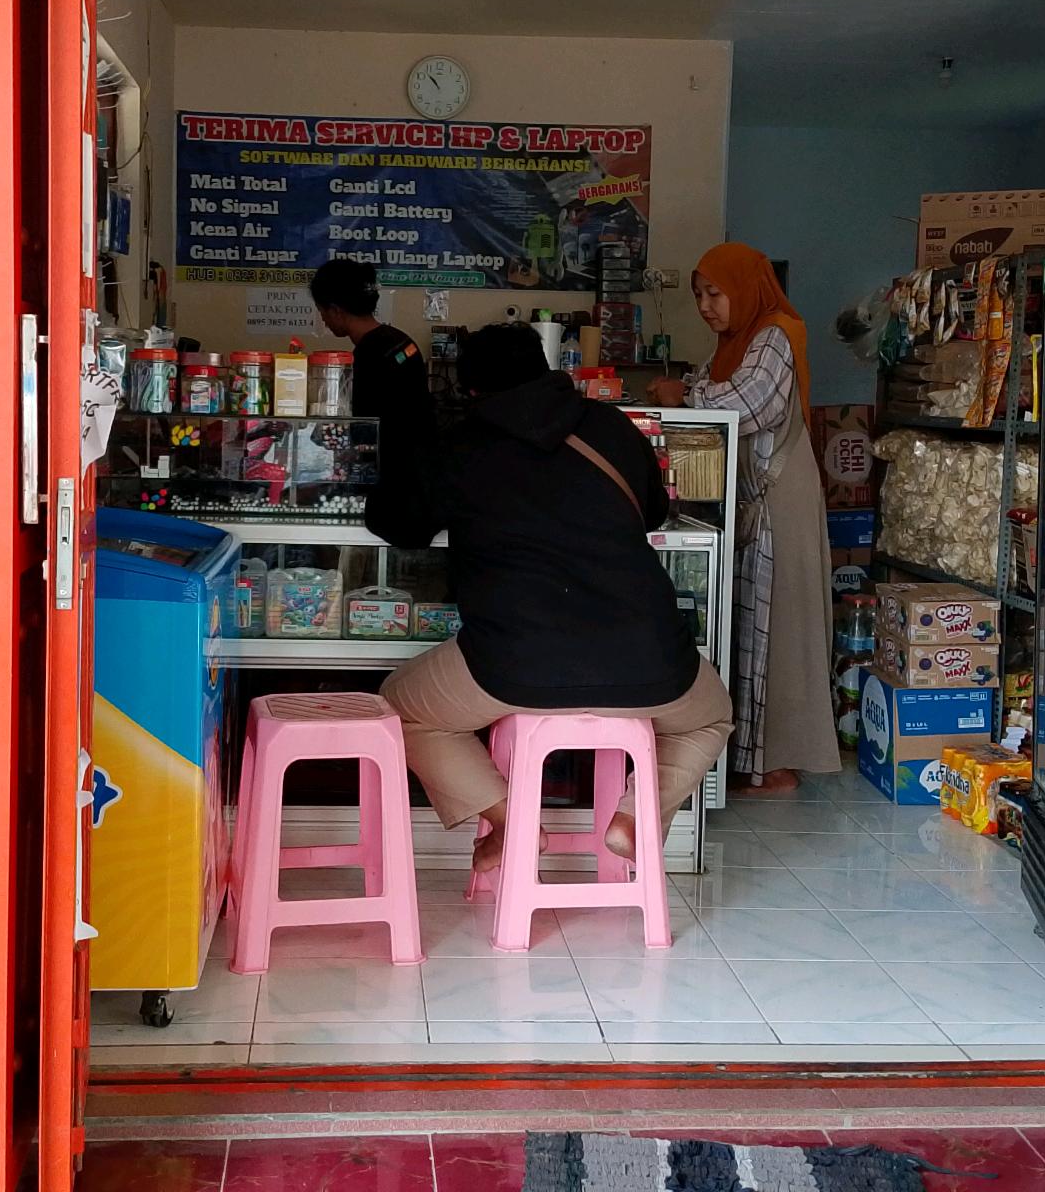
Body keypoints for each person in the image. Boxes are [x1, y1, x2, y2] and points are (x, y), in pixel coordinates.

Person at [368, 323, 732, 872]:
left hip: (514, 664)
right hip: (647, 655)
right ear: (547, 370)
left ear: (471, 388)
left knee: (400, 707)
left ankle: (509, 820)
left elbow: (401, 524)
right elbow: (654, 510)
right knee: (711, 716)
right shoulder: (609, 425)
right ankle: (636, 817)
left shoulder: (459, 443)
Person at [651, 244, 837, 793]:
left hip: (780, 500)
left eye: (715, 293)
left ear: (746, 287)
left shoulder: (777, 334)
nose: (705, 306)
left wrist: (684, 393)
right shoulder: (734, 343)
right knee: (749, 624)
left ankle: (778, 763)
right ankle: (747, 759)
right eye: (699, 296)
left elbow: (746, 406)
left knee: (779, 627)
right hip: (754, 500)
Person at [308, 257, 433, 429]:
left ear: (336, 311)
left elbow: (364, 423)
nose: (323, 320)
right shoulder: (400, 340)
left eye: (321, 311)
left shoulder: (370, 355)